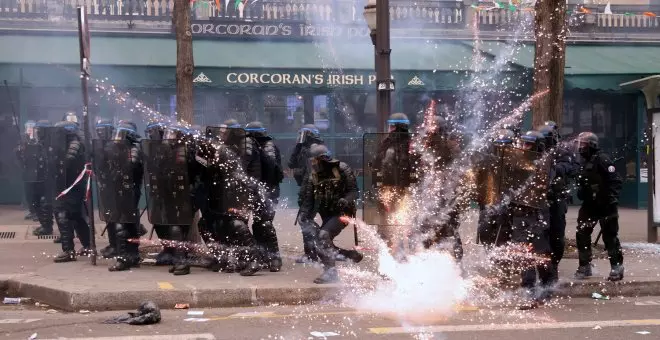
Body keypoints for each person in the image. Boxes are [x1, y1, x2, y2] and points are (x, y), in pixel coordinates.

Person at [298, 144, 363, 284]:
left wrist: (345, 200)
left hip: (343, 213)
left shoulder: (343, 169)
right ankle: (349, 255)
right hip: (326, 214)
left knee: (323, 236)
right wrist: (303, 215)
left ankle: (331, 273)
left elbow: (354, 191)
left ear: (322, 159)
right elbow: (308, 200)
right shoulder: (313, 176)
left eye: (314, 160)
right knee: (319, 241)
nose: (312, 164)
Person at [509, 130, 553, 309]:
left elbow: (542, 186)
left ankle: (547, 286)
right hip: (520, 215)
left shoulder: (545, 163)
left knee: (540, 253)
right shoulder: (518, 162)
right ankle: (528, 292)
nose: (524, 147)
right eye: (524, 143)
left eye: (529, 144)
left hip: (536, 214)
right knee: (523, 254)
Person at [574, 131, 624, 282]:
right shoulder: (583, 161)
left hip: (605, 204)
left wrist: (611, 198)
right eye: (579, 143)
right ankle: (585, 266)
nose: (580, 147)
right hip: (589, 205)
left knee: (609, 236)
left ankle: (617, 266)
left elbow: (616, 180)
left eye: (583, 144)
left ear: (592, 145)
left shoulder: (603, 159)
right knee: (582, 233)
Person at [417, 116, 464, 260]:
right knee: (425, 226)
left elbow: (456, 166)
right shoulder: (425, 143)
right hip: (430, 193)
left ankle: (454, 260)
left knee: (448, 227)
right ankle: (429, 257)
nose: (429, 128)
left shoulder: (449, 144)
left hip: (446, 193)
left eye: (433, 126)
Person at [538, 121, 579, 283]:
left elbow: (571, 168)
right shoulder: (536, 148)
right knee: (539, 235)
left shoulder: (562, 150)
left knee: (556, 235)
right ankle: (541, 268)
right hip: (538, 199)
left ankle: (553, 266)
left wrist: (554, 168)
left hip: (556, 198)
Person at [100, 121, 143, 271]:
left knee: (122, 224)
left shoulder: (134, 150)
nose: (118, 139)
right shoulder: (119, 149)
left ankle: (124, 258)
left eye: (122, 135)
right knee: (129, 224)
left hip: (129, 191)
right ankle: (133, 256)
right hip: (119, 190)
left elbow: (129, 168)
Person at [52, 113, 91, 263]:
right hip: (70, 185)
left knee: (63, 214)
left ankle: (68, 250)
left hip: (72, 186)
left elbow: (66, 164)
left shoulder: (74, 145)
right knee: (76, 216)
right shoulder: (74, 142)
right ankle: (87, 245)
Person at [245, 121, 284, 272]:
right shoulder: (254, 146)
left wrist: (260, 151)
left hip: (269, 191)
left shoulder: (268, 146)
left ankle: (275, 258)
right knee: (257, 224)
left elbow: (270, 166)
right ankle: (263, 256)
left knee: (265, 224)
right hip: (258, 190)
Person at [22, 120, 54, 236]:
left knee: (46, 203)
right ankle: (44, 225)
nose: (38, 132)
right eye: (38, 130)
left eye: (41, 130)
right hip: (36, 177)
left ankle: (47, 226)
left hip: (48, 177)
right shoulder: (34, 142)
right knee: (36, 202)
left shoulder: (52, 143)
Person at [18, 120, 39, 221]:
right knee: (28, 193)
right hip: (27, 171)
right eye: (28, 128)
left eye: (32, 128)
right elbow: (19, 155)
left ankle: (38, 213)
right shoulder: (23, 140)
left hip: (37, 172)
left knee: (36, 193)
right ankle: (32, 211)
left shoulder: (38, 140)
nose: (30, 130)